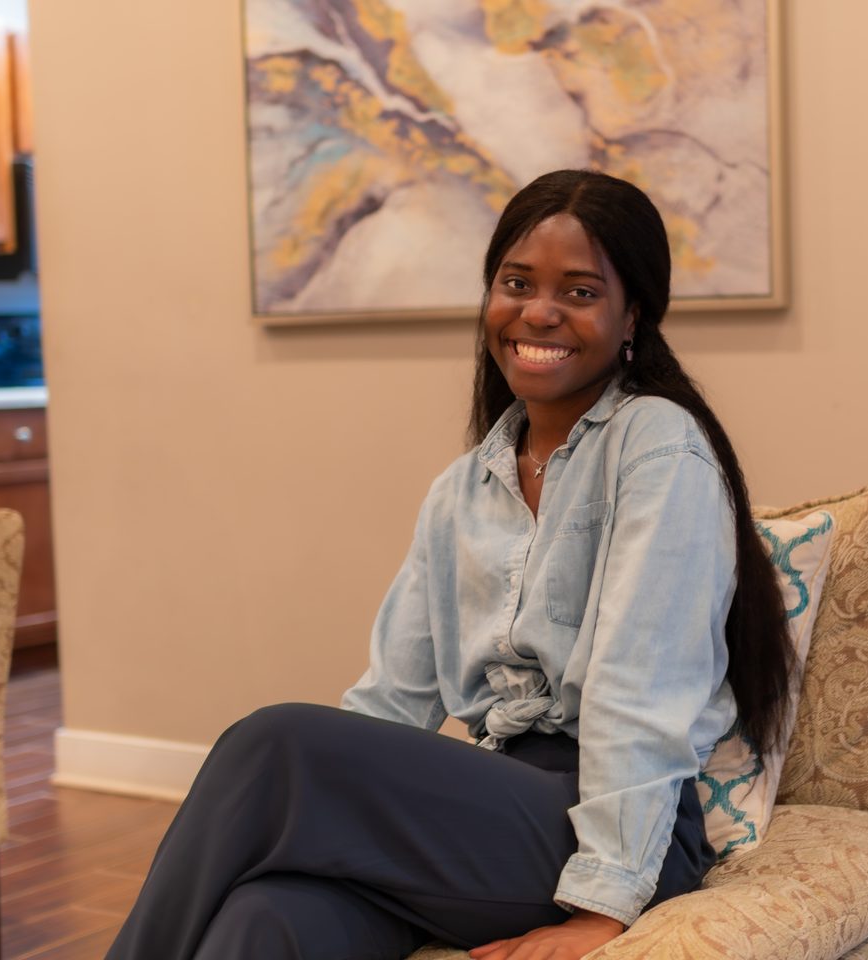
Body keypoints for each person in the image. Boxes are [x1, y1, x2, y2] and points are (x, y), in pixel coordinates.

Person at [105, 170, 792, 960]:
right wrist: (341, 801)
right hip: (486, 811)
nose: (538, 312)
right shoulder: (462, 489)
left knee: (271, 746)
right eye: (516, 283)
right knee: (263, 917)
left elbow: (644, 690)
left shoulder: (656, 442)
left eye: (579, 291)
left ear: (633, 313)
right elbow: (393, 700)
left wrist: (603, 908)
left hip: (617, 832)